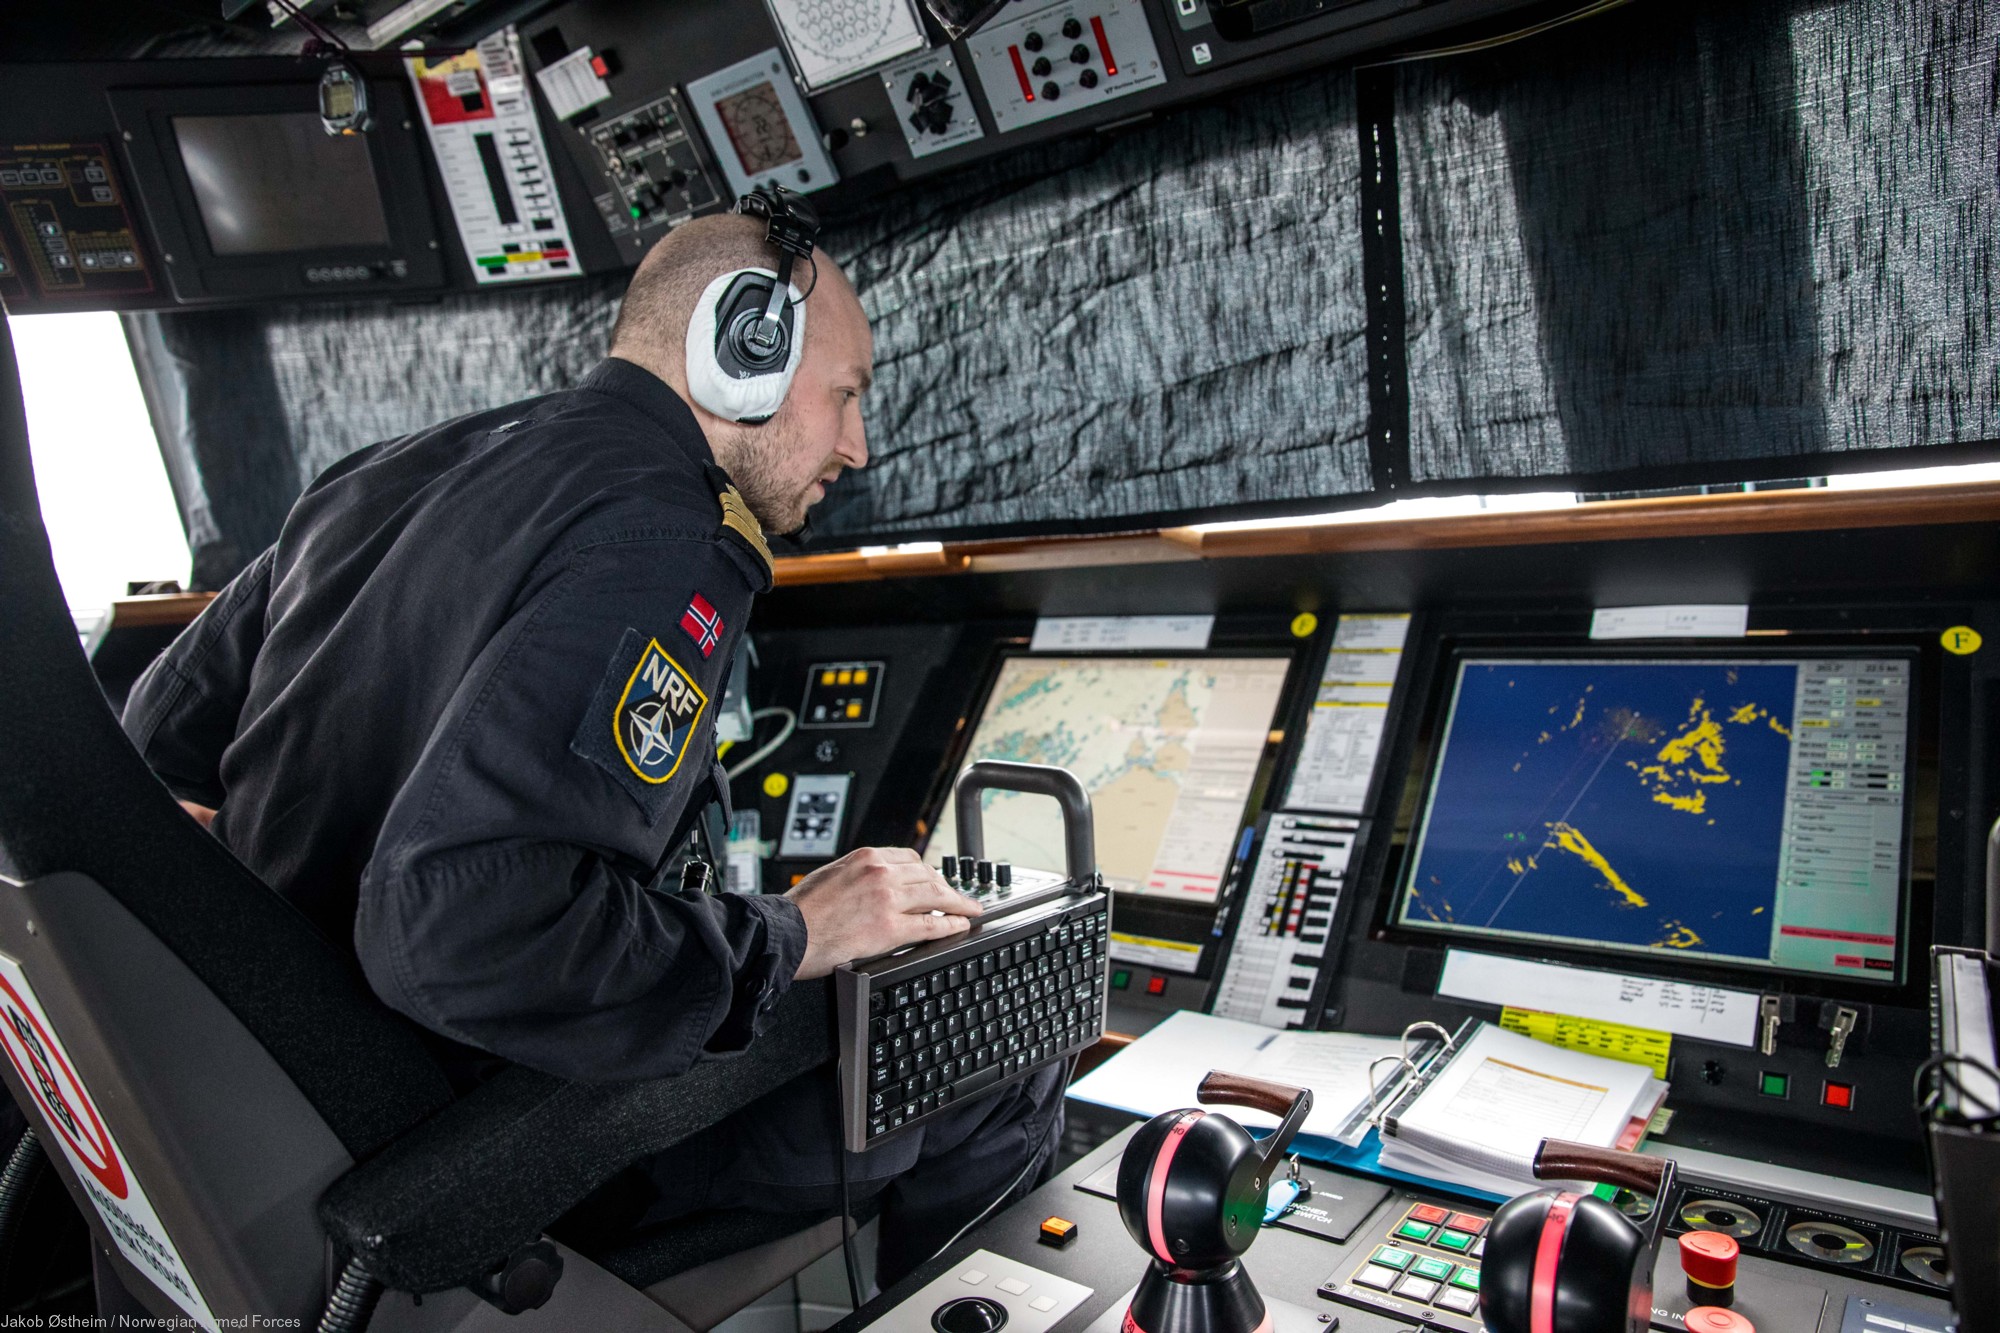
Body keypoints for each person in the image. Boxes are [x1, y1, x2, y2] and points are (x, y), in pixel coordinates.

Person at [119, 203, 1065, 1286]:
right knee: (992, 1032)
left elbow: (152, 750)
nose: (857, 445)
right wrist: (787, 934)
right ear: (743, 351)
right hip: (481, 1156)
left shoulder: (383, 470)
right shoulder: (671, 536)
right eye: (846, 393)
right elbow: (460, 928)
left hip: (265, 1130)